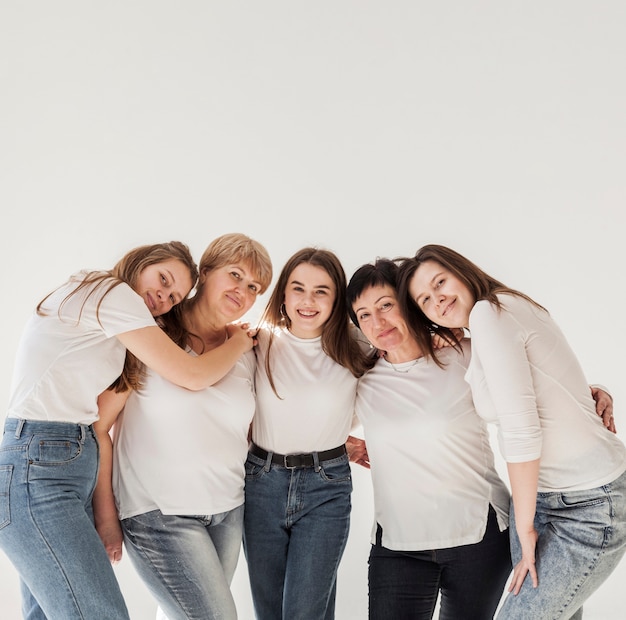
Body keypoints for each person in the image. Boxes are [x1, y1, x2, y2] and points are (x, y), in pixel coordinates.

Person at [0, 240, 256, 620]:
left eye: (174, 296)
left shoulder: (122, 332)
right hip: (38, 464)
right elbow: (191, 374)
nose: (163, 297)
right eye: (163, 279)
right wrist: (238, 341)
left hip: (68, 463)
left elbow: (104, 419)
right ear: (141, 262)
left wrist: (104, 512)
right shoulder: (112, 293)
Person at [399, 244, 626, 619]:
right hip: (546, 498)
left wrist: (522, 526)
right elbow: (551, 375)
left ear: (461, 270)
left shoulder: (491, 312)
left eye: (440, 283)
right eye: (425, 300)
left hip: (589, 503)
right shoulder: (495, 317)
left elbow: (522, 429)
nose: (437, 300)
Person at [92, 233, 273, 620]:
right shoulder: (150, 334)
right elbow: (99, 425)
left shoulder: (247, 349)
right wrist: (106, 513)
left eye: (254, 287)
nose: (243, 290)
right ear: (204, 273)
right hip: (157, 513)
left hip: (226, 511)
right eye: (235, 275)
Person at [347, 258, 512, 619]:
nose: (378, 323)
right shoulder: (362, 380)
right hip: (399, 546)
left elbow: (533, 384)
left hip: (478, 539)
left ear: (408, 302)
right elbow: (305, 420)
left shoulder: (465, 354)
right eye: (364, 315)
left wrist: (596, 390)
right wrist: (345, 445)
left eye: (386, 306)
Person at [243, 247, 373, 620]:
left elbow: (399, 383)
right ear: (283, 292)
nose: (308, 301)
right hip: (261, 482)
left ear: (337, 298)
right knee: (270, 611)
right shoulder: (257, 342)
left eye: (321, 291)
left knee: (305, 611)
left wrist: (344, 437)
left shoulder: (359, 345)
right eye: (298, 288)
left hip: (326, 487)